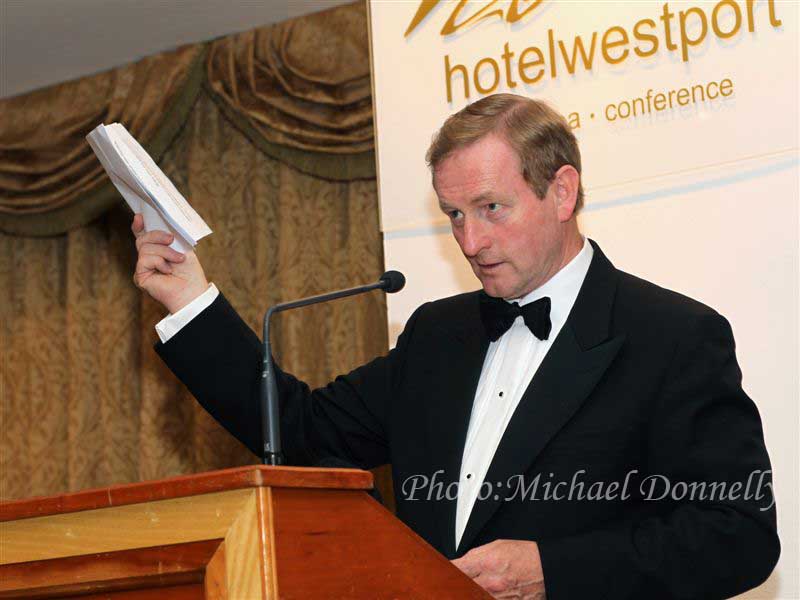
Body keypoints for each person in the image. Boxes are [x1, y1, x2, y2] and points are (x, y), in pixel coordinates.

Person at [131, 93, 779, 599]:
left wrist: (550, 571)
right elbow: (303, 433)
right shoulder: (438, 337)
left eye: (491, 208)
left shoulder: (673, 337)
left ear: (561, 191)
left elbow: (738, 537)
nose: (470, 242)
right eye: (454, 215)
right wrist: (189, 298)